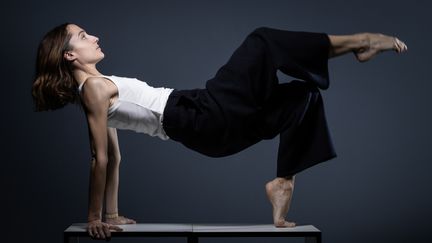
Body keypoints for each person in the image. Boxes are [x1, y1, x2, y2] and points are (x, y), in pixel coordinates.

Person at [32, 23, 407, 240]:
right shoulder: (95, 90)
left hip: (206, 127)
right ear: (69, 55)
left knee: (301, 95)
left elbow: (114, 156)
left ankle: (283, 180)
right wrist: (95, 217)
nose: (93, 37)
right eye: (82, 35)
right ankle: (360, 41)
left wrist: (111, 215)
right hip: (200, 115)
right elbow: (100, 157)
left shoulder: (97, 90)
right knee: (261, 40)